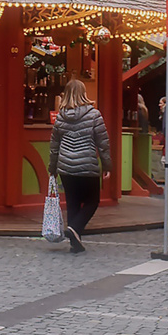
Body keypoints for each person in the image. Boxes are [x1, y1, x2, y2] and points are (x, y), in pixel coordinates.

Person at [48, 78, 112, 253]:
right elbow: (103, 143)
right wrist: (107, 165)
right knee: (92, 201)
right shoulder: (94, 115)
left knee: (73, 202)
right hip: (87, 164)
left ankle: (75, 241)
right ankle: (74, 229)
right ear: (84, 93)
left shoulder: (60, 117)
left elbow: (54, 146)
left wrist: (52, 169)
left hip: (66, 166)